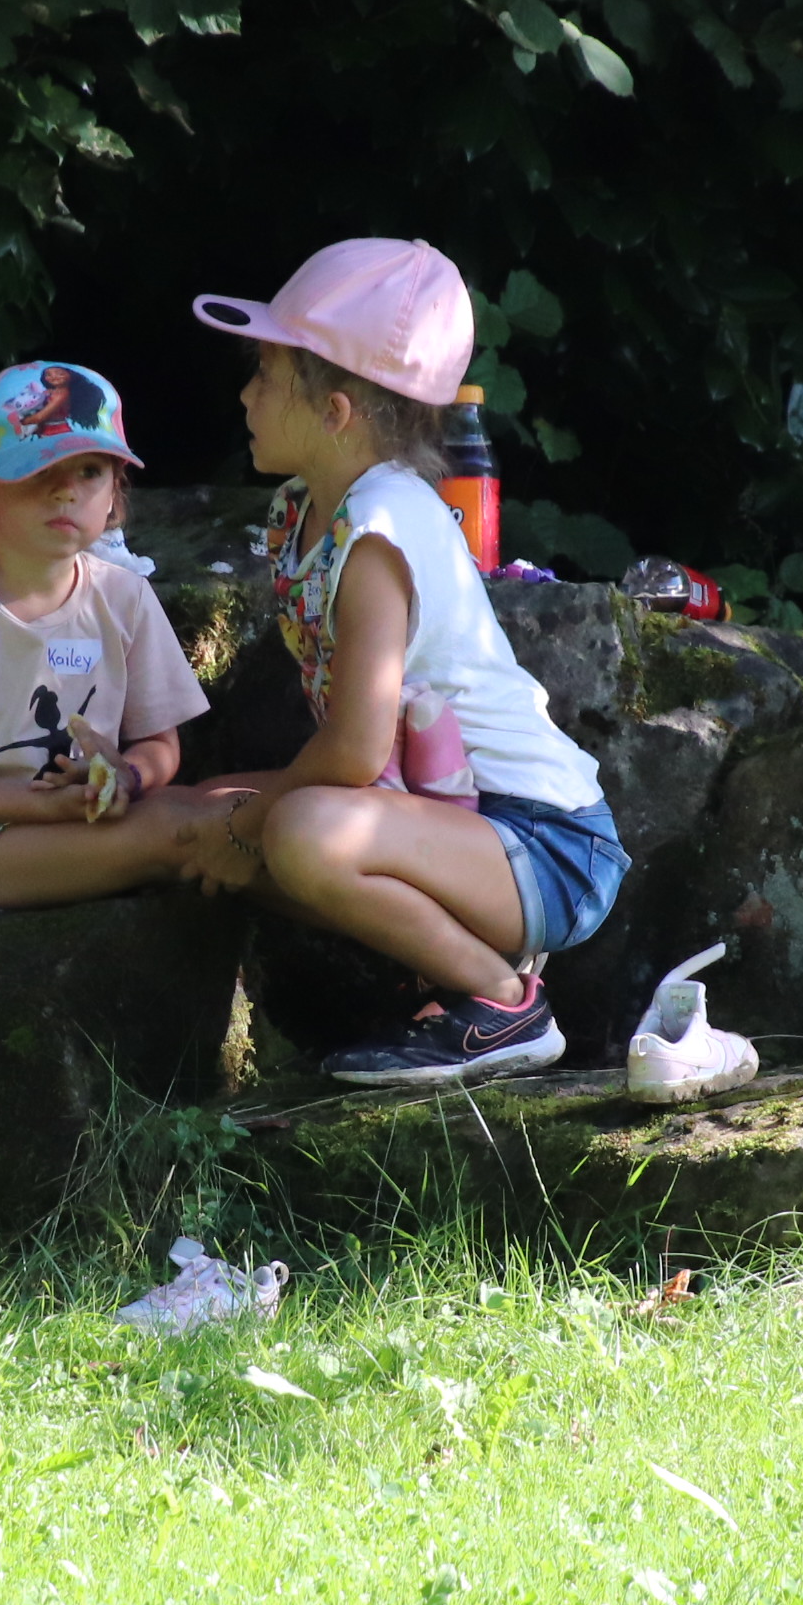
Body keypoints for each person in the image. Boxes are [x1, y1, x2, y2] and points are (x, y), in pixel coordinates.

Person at [183, 238, 625, 1084]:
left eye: (266, 374)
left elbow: (353, 752)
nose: (244, 394)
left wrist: (247, 823)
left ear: (335, 410)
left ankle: (502, 1003)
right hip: (457, 831)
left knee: (295, 830)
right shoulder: (305, 509)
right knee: (213, 809)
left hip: (546, 847)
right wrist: (228, 817)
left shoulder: (381, 526)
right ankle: (447, 964)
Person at [0, 362, 216, 916]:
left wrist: (126, 777)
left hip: (84, 821)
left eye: (89, 471)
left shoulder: (126, 597)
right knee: (185, 836)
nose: (65, 491)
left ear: (114, 496)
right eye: (38, 469)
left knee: (221, 809)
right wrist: (48, 807)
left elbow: (160, 745)